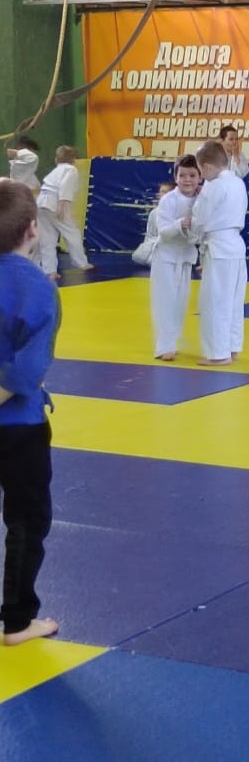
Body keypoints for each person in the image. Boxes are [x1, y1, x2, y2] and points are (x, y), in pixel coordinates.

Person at [0, 179, 61, 645]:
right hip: (18, 427)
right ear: (33, 230)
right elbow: (26, 373)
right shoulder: (38, 289)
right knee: (26, 518)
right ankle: (18, 620)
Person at [184, 141, 247, 366]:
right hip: (236, 246)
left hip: (219, 247)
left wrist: (192, 233)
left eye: (200, 171)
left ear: (207, 167)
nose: (201, 176)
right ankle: (232, 347)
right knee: (234, 301)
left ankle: (218, 354)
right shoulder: (238, 182)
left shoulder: (213, 186)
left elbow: (200, 219)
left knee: (214, 302)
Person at [151, 157, 201, 360]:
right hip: (166, 255)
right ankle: (164, 346)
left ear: (200, 177)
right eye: (182, 175)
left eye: (192, 175)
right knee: (165, 300)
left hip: (186, 256)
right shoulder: (168, 200)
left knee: (180, 301)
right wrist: (181, 223)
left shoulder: (202, 199)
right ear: (175, 177)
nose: (187, 180)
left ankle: (173, 340)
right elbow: (163, 232)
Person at [36, 145, 93, 280]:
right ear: (73, 159)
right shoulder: (71, 169)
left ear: (56, 159)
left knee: (47, 238)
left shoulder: (55, 171)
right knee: (72, 233)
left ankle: (50, 271)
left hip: (41, 203)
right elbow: (65, 185)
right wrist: (63, 203)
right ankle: (81, 263)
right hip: (56, 203)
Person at [133, 181, 175, 267]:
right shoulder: (154, 213)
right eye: (160, 192)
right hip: (155, 246)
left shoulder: (180, 211)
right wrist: (146, 249)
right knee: (140, 257)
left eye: (164, 192)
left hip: (173, 248)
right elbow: (149, 235)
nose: (161, 195)